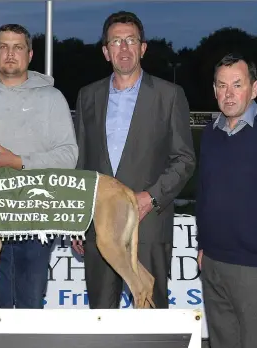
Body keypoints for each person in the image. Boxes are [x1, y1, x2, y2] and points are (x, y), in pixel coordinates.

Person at [72, 11, 196, 309]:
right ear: (106, 51)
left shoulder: (170, 95)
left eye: (131, 40)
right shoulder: (87, 96)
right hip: (98, 224)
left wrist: (150, 198)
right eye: (116, 41)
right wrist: (76, 220)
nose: (124, 48)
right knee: (102, 316)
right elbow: (80, 164)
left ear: (143, 48)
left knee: (151, 314)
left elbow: (184, 159)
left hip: (149, 223)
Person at [0, 24, 78, 309]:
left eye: (18, 47)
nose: (10, 53)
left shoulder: (52, 98)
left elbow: (69, 157)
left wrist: (17, 162)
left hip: (35, 215)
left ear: (30, 54)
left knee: (28, 303)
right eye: (4, 47)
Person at [196, 53, 257, 348]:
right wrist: (202, 245)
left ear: (255, 88)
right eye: (222, 85)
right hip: (215, 263)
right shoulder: (210, 134)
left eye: (237, 84)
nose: (229, 93)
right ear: (214, 90)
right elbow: (204, 193)